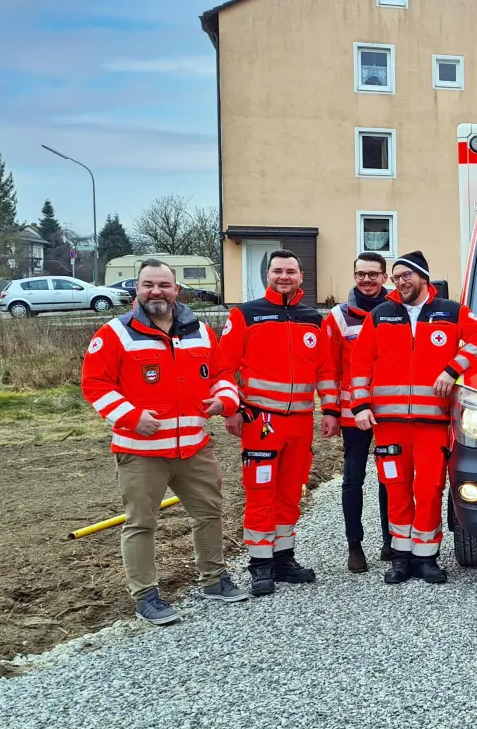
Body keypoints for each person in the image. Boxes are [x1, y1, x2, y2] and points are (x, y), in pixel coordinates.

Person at [80, 259, 248, 624]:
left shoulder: (201, 332)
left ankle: (214, 579)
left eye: (163, 285)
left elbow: (221, 373)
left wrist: (225, 400)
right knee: (141, 523)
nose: (156, 291)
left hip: (194, 447)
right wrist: (130, 416)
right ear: (136, 289)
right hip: (141, 452)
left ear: (177, 290)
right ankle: (145, 596)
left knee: (209, 513)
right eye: (148, 284)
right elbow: (95, 384)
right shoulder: (115, 334)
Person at [350, 251, 477, 584]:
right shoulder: (380, 315)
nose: (400, 282)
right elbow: (360, 364)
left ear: (423, 278)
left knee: (429, 489)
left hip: (432, 426)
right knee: (397, 489)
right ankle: (401, 557)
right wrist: (360, 406)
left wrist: (452, 369)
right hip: (389, 426)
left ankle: (426, 557)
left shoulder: (451, 312)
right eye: (396, 277)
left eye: (406, 276)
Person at [208, 250, 340, 596]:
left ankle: (283, 558)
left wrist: (330, 410)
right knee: (261, 492)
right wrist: (231, 409)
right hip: (260, 421)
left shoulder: (313, 318)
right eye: (278, 270)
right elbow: (224, 368)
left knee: (289, 493)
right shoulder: (245, 315)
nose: (285, 276)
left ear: (301, 276)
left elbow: (325, 369)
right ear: (268, 275)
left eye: (291, 271)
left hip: (299, 422)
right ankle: (260, 564)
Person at [324, 252, 392, 573]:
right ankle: (355, 546)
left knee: (389, 477)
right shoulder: (338, 317)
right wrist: (330, 410)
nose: (367, 280)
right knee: (354, 478)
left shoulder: (397, 312)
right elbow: (328, 368)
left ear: (384, 277)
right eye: (361, 274)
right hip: (353, 415)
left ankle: (390, 541)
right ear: (354, 277)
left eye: (373, 274)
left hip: (391, 412)